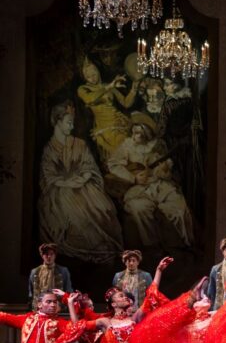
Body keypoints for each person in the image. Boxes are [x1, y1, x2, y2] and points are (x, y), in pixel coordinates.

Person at [38, 102, 123, 263]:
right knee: (76, 214)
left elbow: (89, 165)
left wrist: (84, 177)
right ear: (57, 121)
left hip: (84, 186)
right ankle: (92, 248)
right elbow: (48, 177)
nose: (72, 126)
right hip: (60, 190)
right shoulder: (49, 149)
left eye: (73, 122)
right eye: (68, 122)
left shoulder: (79, 144)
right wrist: (67, 182)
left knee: (103, 207)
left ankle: (106, 247)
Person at [106, 112, 195, 248]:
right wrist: (133, 178)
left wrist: (164, 170)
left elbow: (168, 170)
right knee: (138, 208)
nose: (137, 137)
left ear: (147, 134)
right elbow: (113, 164)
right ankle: (152, 245)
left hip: (160, 185)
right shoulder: (127, 145)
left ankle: (182, 244)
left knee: (178, 208)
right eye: (135, 133)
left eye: (141, 134)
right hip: (139, 188)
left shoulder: (158, 145)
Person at [76, 56, 136, 162]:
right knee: (121, 157)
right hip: (106, 130)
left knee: (134, 153)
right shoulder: (83, 89)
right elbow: (90, 99)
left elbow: (126, 103)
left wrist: (134, 89)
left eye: (93, 73)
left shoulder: (107, 85)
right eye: (88, 76)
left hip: (120, 123)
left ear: (98, 71)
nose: (92, 78)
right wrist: (110, 86)